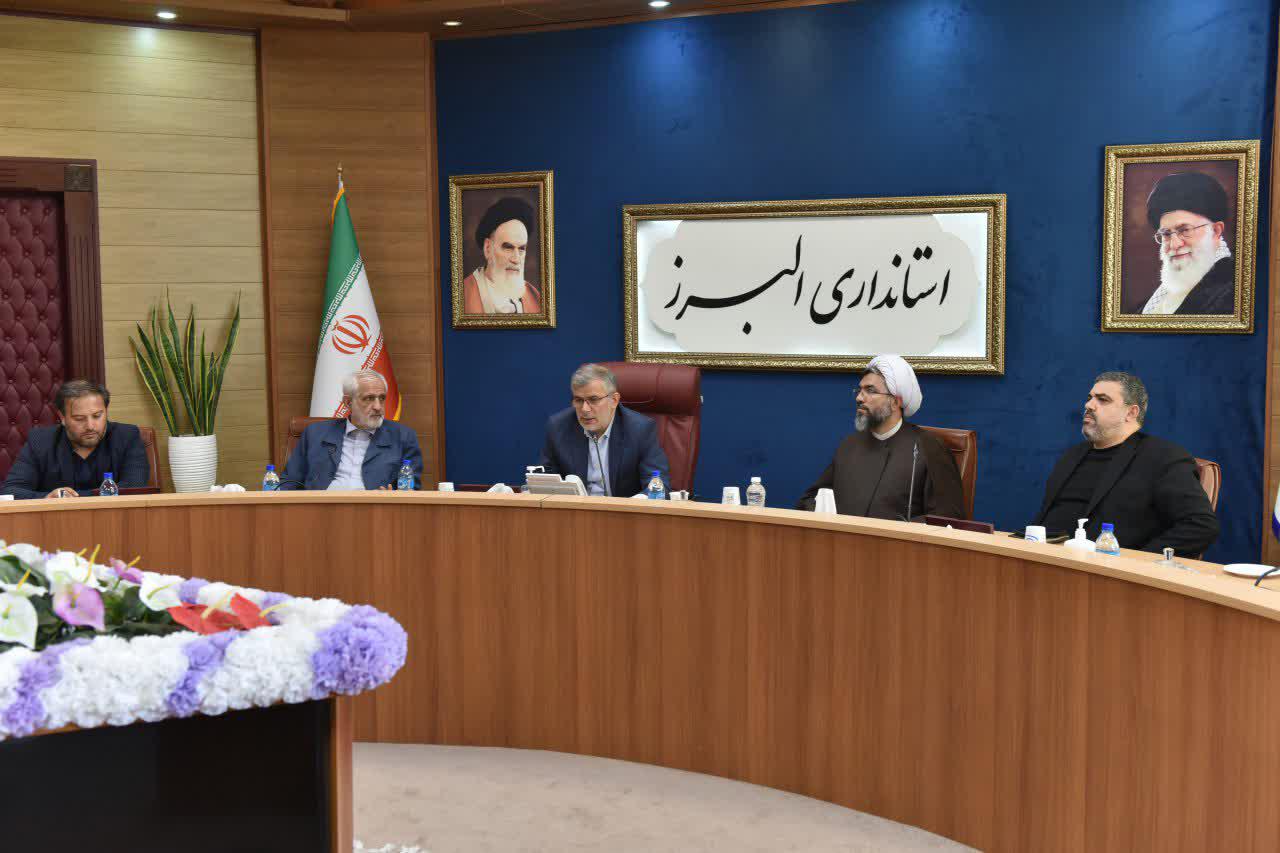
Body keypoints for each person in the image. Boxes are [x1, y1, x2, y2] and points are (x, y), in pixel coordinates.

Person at [1033, 371, 1218, 556]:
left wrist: (1137, 562)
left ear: (1131, 413)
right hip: (1041, 560)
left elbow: (1200, 526)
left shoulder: (1163, 457)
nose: (1088, 405)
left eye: (1102, 400)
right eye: (1089, 398)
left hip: (1104, 569)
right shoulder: (1072, 455)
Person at [796, 355, 964, 520]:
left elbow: (946, 518)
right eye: (859, 390)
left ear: (895, 402)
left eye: (870, 390)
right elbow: (811, 499)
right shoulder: (849, 444)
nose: (859, 398)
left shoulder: (928, 447)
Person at [1, 379, 150, 499]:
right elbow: (10, 491)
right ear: (62, 417)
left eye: (97, 416)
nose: (90, 426)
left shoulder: (127, 436)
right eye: (79, 419)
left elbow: (135, 488)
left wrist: (70, 498)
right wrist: (47, 497)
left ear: (106, 411)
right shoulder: (40, 441)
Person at [538, 363, 669, 497]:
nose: (585, 409)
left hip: (623, 508)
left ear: (614, 400)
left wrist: (631, 504)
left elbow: (658, 486)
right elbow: (545, 481)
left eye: (593, 399)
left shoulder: (640, 430)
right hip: (575, 508)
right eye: (579, 400)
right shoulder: (559, 427)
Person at [281, 369, 423, 491]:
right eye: (369, 398)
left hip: (375, 510)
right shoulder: (315, 433)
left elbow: (411, 489)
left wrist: (393, 497)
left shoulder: (403, 437)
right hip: (321, 508)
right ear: (348, 402)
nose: (378, 407)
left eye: (382, 398)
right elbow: (289, 482)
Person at [1141, 172, 1235, 315]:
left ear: (1215, 231)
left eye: (1185, 230)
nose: (1174, 245)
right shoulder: (1157, 298)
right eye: (1166, 234)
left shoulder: (1231, 291)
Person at [462, 197, 543, 315]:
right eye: (508, 247)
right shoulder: (463, 295)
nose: (516, 259)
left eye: (521, 249)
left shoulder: (535, 298)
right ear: (488, 249)